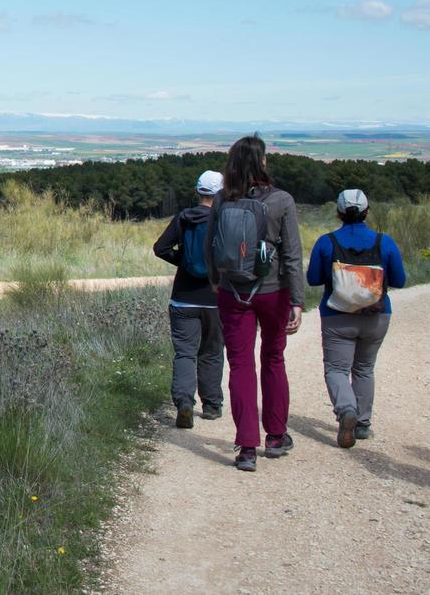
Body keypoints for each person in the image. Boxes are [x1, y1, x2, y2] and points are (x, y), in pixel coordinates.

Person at [206, 134, 306, 472]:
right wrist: (297, 300)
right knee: (273, 358)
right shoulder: (282, 201)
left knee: (240, 365)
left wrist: (217, 282)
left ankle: (246, 447)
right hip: (273, 291)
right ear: (260, 162)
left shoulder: (221, 200)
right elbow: (292, 254)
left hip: (233, 292)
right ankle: (275, 437)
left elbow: (211, 247)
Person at [305, 189, 407, 448]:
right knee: (364, 368)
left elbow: (313, 279)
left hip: (337, 316)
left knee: (337, 369)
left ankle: (346, 409)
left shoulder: (326, 242)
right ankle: (361, 424)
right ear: (367, 211)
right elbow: (399, 280)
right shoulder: (384, 242)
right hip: (376, 315)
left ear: (339, 212)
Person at [153, 170, 225, 429]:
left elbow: (159, 248)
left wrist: (183, 263)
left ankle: (184, 402)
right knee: (212, 352)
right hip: (216, 299)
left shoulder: (183, 218)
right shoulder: (223, 220)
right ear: (220, 194)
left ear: (198, 192)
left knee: (185, 353)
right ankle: (212, 405)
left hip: (183, 298)